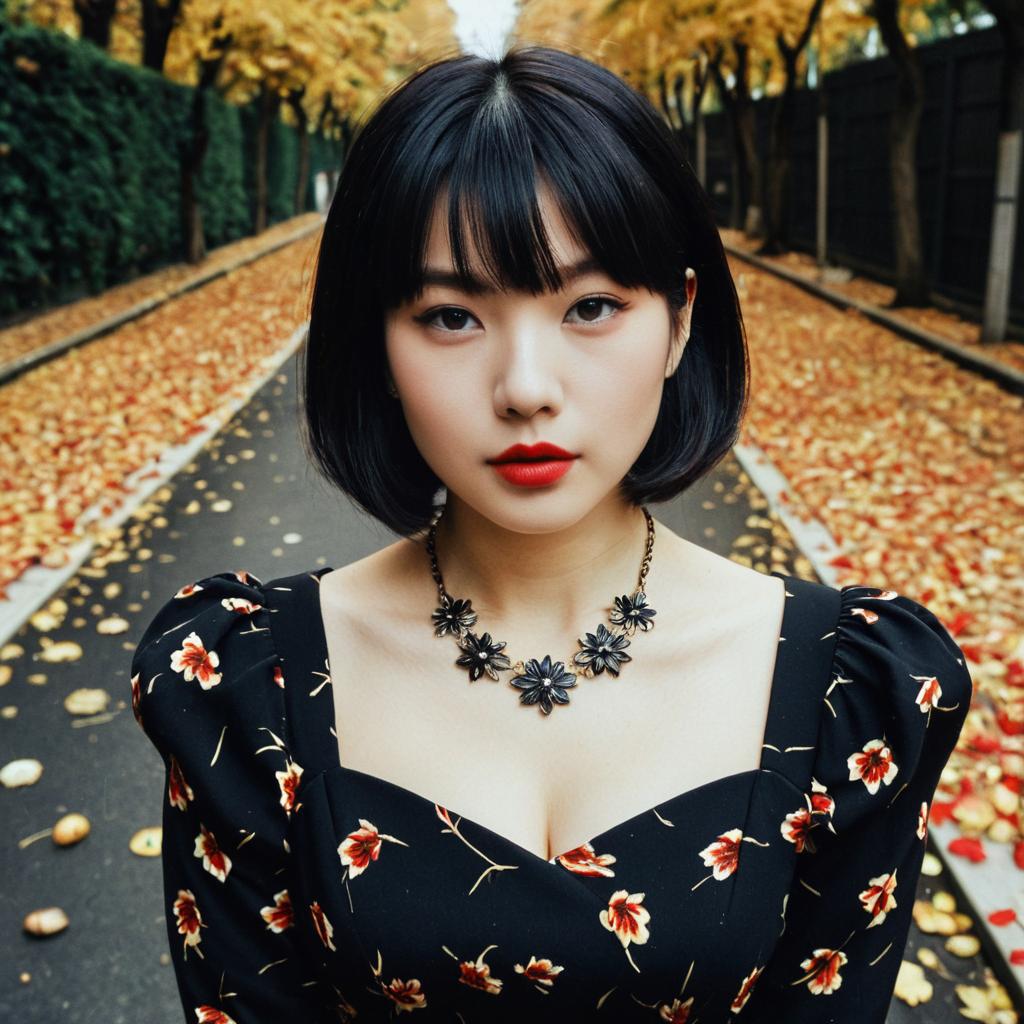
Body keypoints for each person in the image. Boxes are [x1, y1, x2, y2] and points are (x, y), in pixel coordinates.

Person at [130, 44, 972, 1023]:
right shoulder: (245, 684)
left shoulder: (850, 693)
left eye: (592, 306)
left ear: (681, 320)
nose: (526, 385)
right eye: (451, 315)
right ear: (376, 339)